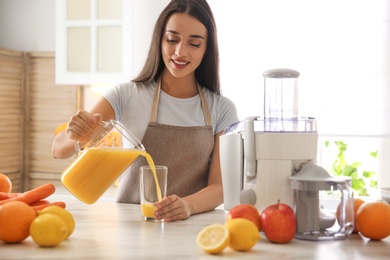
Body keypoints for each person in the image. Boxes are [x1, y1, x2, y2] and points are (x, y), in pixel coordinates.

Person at [51, 0, 238, 222]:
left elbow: (220, 186)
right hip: (131, 224)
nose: (180, 52)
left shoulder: (222, 109)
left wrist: (187, 205)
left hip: (190, 225)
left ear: (207, 48)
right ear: (159, 39)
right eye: (172, 40)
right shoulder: (126, 95)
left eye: (194, 44)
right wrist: (75, 134)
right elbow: (58, 150)